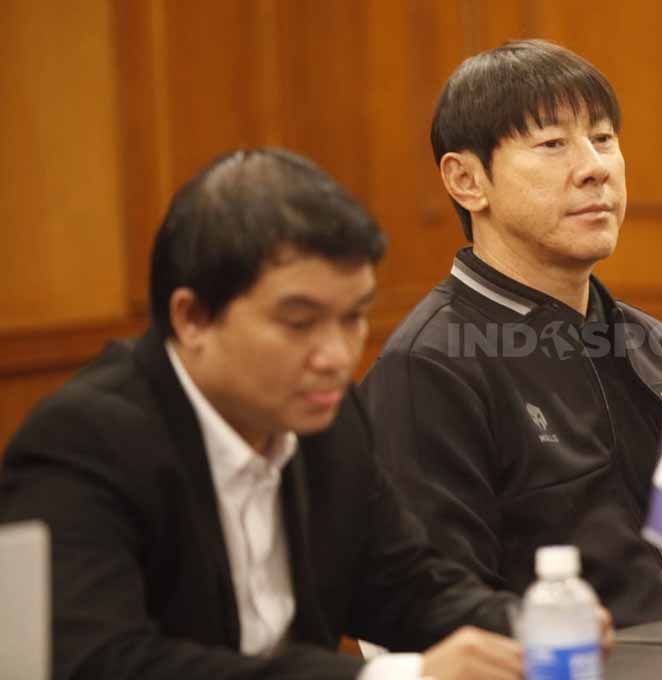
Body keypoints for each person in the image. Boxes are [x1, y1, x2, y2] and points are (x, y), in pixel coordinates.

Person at [0, 148, 528, 679]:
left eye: (353, 318)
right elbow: (103, 662)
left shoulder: (330, 419)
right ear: (192, 319)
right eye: (300, 323)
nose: (338, 358)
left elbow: (403, 585)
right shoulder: (86, 442)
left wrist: (528, 626)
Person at [361, 39, 662, 627]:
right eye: (553, 144)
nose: (595, 168)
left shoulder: (653, 343)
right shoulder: (428, 364)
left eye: (603, 138)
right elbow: (429, 603)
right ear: (467, 181)